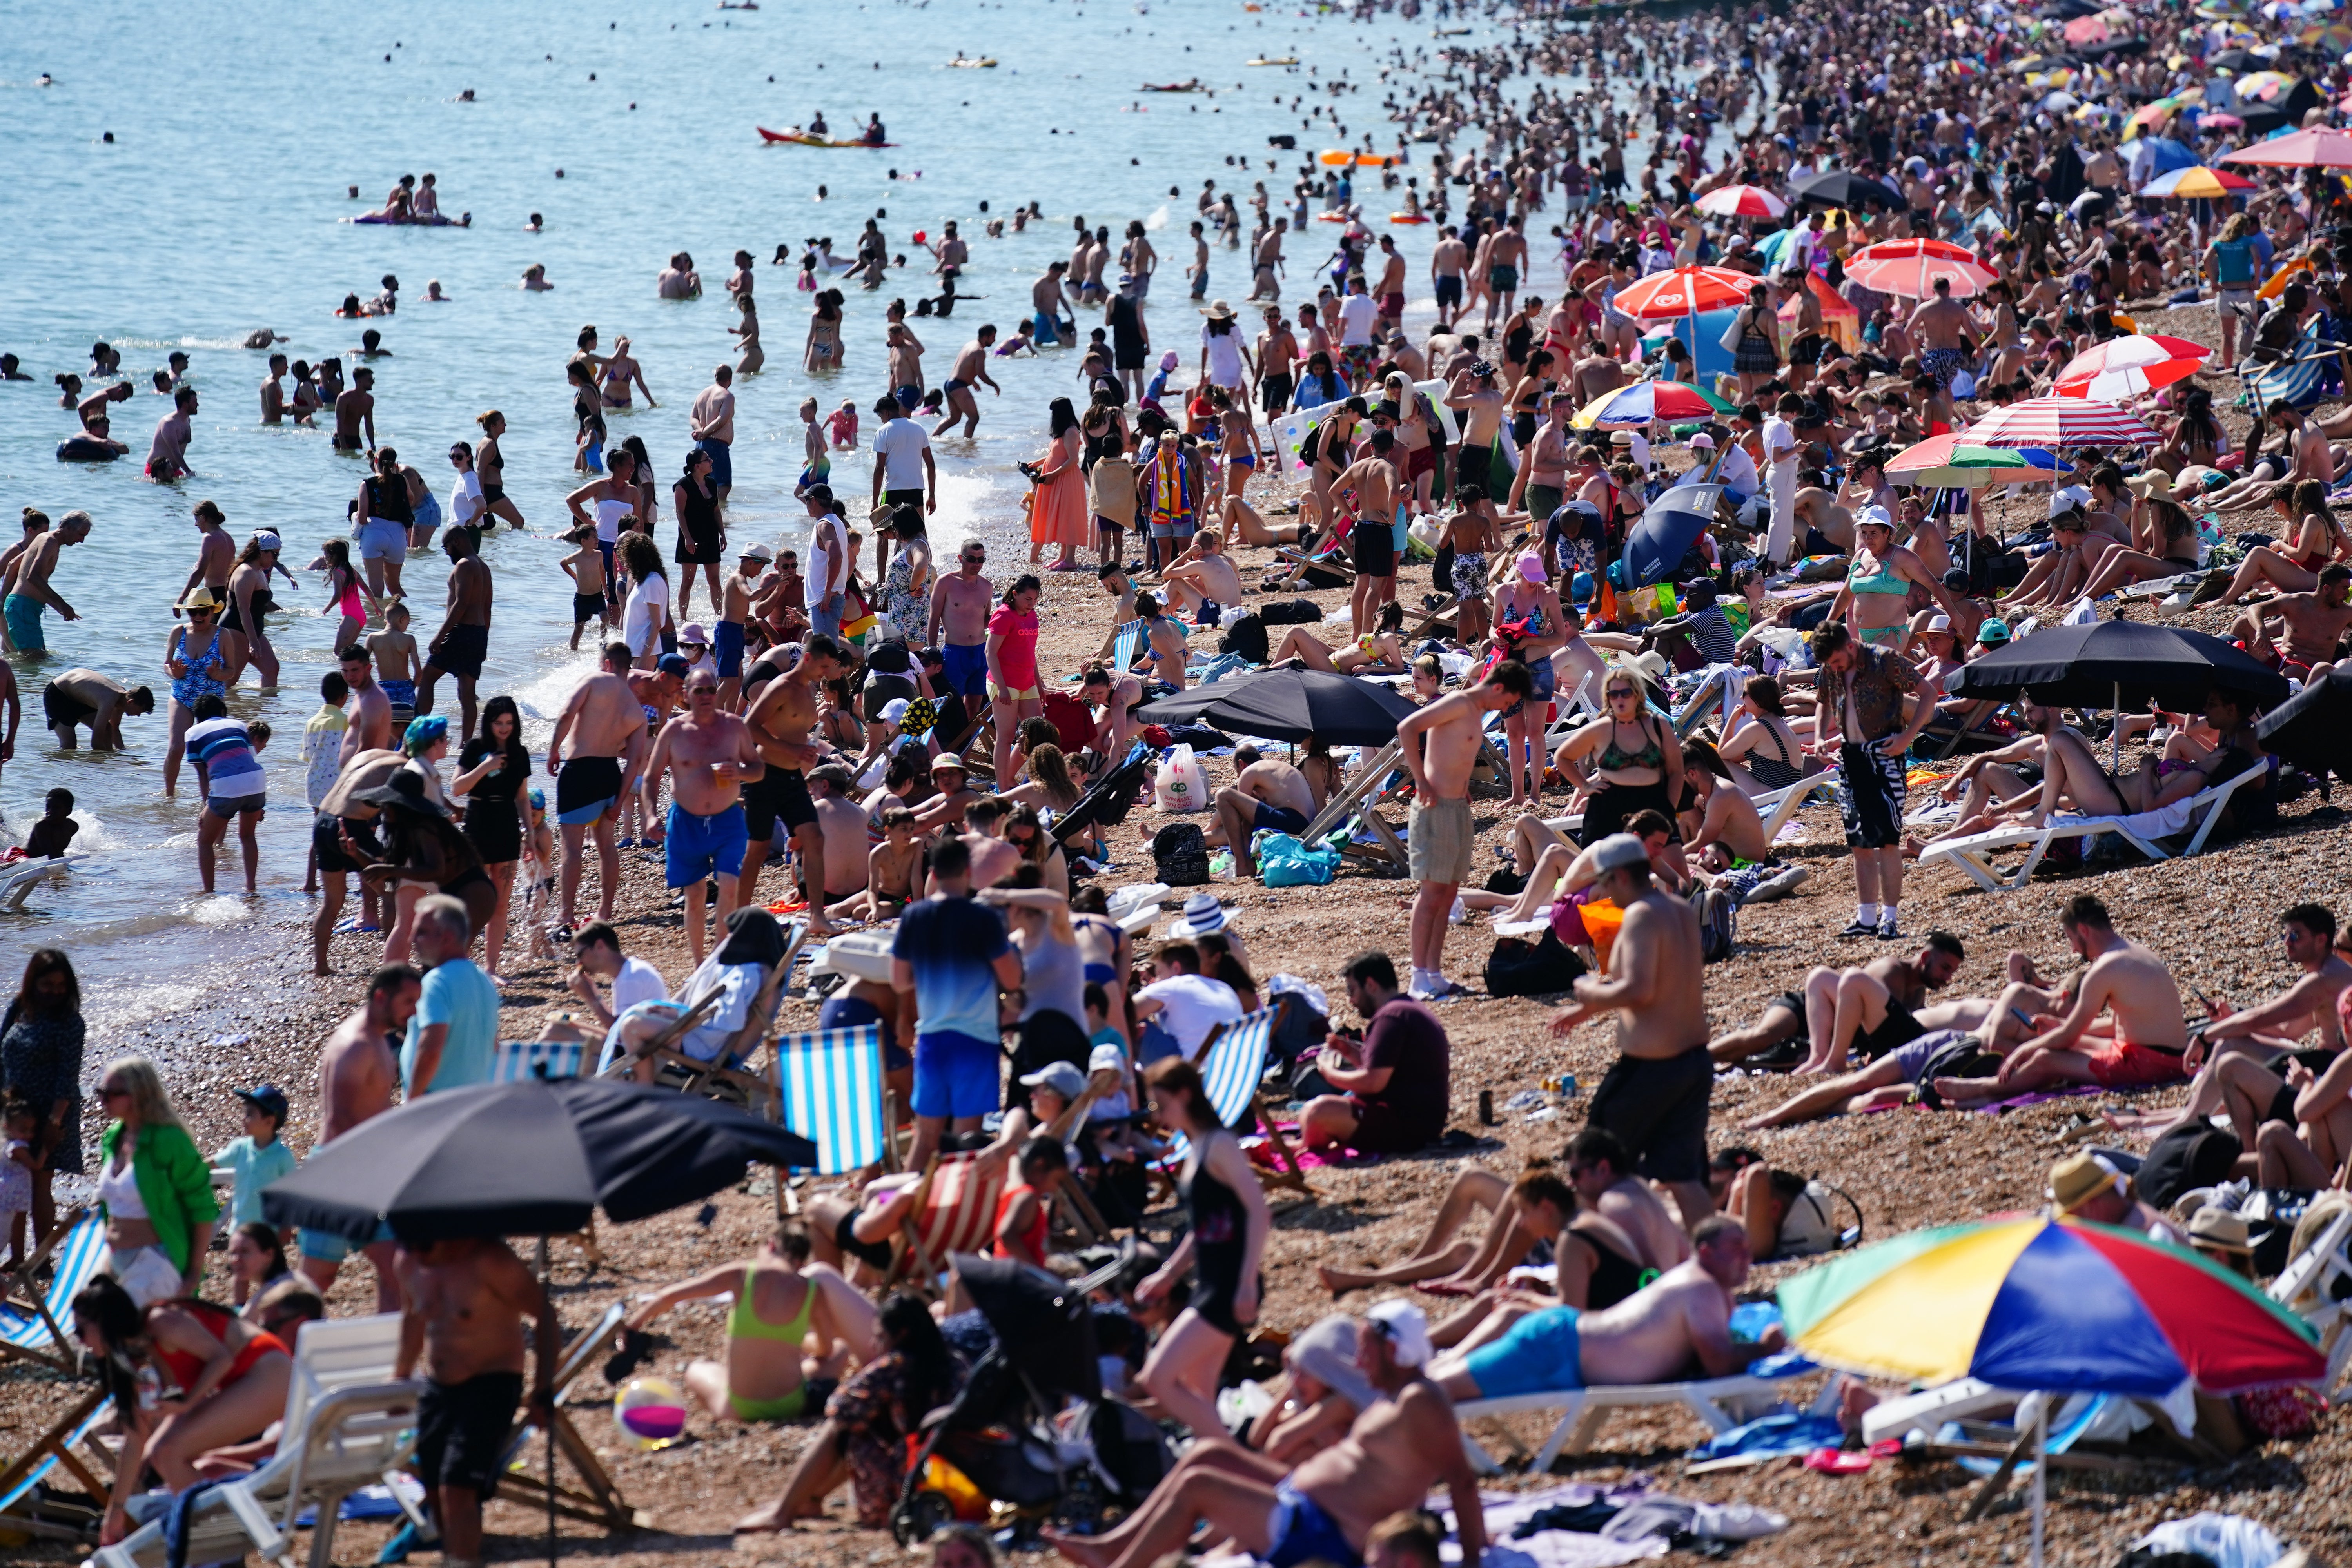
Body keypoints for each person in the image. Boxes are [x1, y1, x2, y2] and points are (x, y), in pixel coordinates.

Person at [1046, 1296, 1483, 1568]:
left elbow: (1462, 1481)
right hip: (1304, 1498)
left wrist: (1471, 1561)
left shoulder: (1420, 1403)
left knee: (1200, 1485)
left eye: (1366, 1350)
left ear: (1394, 1351)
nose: (1358, 1361)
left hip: (1326, 1531)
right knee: (1207, 1454)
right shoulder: (1395, 1394)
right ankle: (1109, 1547)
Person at [1547, 833, 1713, 1228]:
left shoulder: (1640, 915)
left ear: (1620, 876)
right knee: (1683, 1174)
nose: (1599, 891)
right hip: (1694, 1063)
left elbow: (1639, 990)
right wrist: (1585, 1010)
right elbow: (1660, 983)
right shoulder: (1676, 910)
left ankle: (1596, 1248)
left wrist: (1586, 988)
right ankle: (1714, 1256)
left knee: (1595, 1165)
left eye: (1602, 882)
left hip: (1652, 1069)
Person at [1431, 1214, 1784, 1399]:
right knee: (1432, 1393)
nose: (1747, 1257)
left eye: (1748, 1249)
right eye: (1737, 1247)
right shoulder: (1700, 1288)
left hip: (1566, 1345)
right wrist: (1766, 1347)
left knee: (1438, 1385)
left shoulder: (1709, 1288)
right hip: (1556, 1349)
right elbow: (1719, 1363)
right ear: (1706, 1252)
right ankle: (1381, 1393)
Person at [72, 1274, 293, 1546]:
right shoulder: (134, 1358)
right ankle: (218, 1538)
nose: (80, 1342)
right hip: (247, 1380)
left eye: (81, 1332)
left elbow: (221, 1358)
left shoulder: (161, 1321)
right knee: (160, 1453)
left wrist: (187, 1403)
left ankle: (217, 1543)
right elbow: (135, 1439)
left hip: (269, 1371)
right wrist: (115, 1511)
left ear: (104, 1322)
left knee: (170, 1452)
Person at [1130, 1056, 1273, 1448]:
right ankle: (1222, 1463)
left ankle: (1236, 1462)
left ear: (1185, 1094)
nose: (1158, 1115)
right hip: (1211, 1282)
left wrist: (1246, 1282)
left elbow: (1259, 1211)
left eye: (1162, 1104)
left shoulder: (1219, 1144)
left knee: (1158, 1379)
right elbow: (1204, 1228)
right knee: (1199, 1393)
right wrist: (1169, 1275)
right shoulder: (1196, 1148)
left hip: (1228, 1284)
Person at [734, 1290, 962, 1533]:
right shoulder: (955, 1363)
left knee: (844, 1429)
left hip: (904, 1499)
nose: (875, 1345)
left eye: (881, 1337)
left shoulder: (894, 1366)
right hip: (955, 1490)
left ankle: (783, 1513)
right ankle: (810, 1500)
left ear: (902, 1335)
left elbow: (838, 1406)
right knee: (867, 1420)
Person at [394, 1233, 558, 1568]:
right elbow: (413, 1315)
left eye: (426, 1244)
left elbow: (546, 1316)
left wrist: (543, 1388)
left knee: (458, 1487)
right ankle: (455, 1558)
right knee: (434, 1484)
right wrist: (401, 1372)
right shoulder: (410, 1261)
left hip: (491, 1382)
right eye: (410, 1244)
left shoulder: (490, 1261)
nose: (418, 1255)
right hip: (438, 1388)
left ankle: (462, 1561)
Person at [1931, 896, 2192, 1106]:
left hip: (2149, 1066)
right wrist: (2057, 1026)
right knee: (2060, 1043)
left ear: (2083, 930)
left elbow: (2067, 1038)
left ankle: (1986, 1089)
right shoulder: (2138, 953)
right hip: (2168, 1057)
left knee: (2047, 1057)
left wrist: (2025, 1050)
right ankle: (1996, 1088)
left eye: (2071, 939)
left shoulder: (2104, 970)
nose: (2074, 950)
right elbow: (2115, 1026)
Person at [627, 1220, 878, 1422]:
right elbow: (826, 1350)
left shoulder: (741, 1275)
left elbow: (669, 1296)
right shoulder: (813, 1290)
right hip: (792, 1404)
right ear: (801, 1260)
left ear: (770, 1245)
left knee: (698, 1369)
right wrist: (799, 1344)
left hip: (738, 1410)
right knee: (841, 1349)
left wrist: (632, 1327)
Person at [1394, 663, 1535, 999]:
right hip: (1434, 807)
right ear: (1499, 689)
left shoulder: (1475, 712)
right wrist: (1422, 780)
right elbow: (1407, 728)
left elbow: (1454, 751)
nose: (1506, 710)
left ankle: (1434, 973)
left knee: (1448, 895)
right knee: (1431, 896)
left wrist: (1462, 787)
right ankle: (1417, 978)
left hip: (1458, 807)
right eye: (1509, 702)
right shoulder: (1459, 703)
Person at [891, 835, 1022, 1169]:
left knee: (926, 1138)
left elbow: (900, 980)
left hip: (933, 1037)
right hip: (976, 1038)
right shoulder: (984, 919)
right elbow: (1012, 980)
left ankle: (911, 1208)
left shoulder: (914, 917)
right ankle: (962, 1212)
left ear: (933, 872)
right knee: (968, 1140)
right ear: (968, 871)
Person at [298, 965, 418, 1312]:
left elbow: (370, 1111)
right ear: (382, 996)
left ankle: (392, 1357)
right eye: (408, 1001)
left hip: (359, 1169)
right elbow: (342, 1120)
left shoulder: (377, 1039)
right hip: (341, 1173)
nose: (413, 1011)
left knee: (395, 1271)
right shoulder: (356, 1047)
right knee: (314, 1283)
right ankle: (279, 1356)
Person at [1811, 621, 1929, 940]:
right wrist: (1821, 737)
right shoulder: (1831, 669)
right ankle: (1866, 917)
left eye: (1836, 662)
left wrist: (1908, 736)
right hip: (1850, 757)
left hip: (1885, 754)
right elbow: (1822, 702)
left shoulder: (1884, 660)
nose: (1833, 668)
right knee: (1860, 844)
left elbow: (1929, 694)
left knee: (1888, 841)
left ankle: (1890, 918)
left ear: (1850, 647)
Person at [643, 666, 766, 964]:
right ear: (685, 696)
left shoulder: (734, 727)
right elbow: (651, 777)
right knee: (696, 895)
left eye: (711, 689)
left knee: (729, 884)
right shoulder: (674, 731)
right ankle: (700, 964)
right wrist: (650, 816)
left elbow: (758, 769)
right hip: (686, 822)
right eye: (699, 691)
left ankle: (721, 955)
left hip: (727, 819)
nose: (707, 696)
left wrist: (739, 772)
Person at [93, 1057, 218, 1305]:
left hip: (155, 1261)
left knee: (137, 1338)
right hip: (117, 1259)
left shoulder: (168, 1140)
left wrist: (194, 1272)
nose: (103, 1101)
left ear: (140, 1095)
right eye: (101, 1093)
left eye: (112, 1094)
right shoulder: (113, 1138)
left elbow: (203, 1208)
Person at [548, 644, 654, 933]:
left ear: (607, 664)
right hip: (609, 773)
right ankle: (605, 911)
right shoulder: (637, 711)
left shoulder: (594, 680)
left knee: (571, 847)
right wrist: (620, 800)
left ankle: (566, 914)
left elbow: (567, 713)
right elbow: (634, 762)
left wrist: (553, 750)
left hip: (580, 771)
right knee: (607, 846)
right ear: (626, 667)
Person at [1300, 951, 1450, 1154]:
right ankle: (1305, 1145)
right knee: (1312, 1112)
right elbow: (1385, 1066)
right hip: (1421, 1120)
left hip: (1408, 1126)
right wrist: (1349, 1051)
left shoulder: (1391, 1017)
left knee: (1318, 1111)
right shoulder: (1406, 1009)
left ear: (1370, 985)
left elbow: (1373, 1082)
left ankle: (1304, 1148)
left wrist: (1329, 1073)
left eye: (1352, 990)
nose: (1352, 1001)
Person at [1, 949, 84, 1248]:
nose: (55, 992)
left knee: (39, 1183)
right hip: (15, 1110)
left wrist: (53, 1123)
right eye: (48, 985)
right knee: (12, 1180)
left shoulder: (70, 1023)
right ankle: (17, 1257)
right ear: (33, 982)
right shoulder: (19, 1008)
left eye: (62, 987)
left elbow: (67, 1078)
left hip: (51, 1112)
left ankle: (43, 1257)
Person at [454, 697, 532, 981]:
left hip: (507, 827)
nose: (504, 729)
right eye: (499, 723)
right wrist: (485, 767)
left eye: (510, 723)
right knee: (472, 902)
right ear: (489, 723)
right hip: (477, 827)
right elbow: (457, 789)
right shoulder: (475, 749)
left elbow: (523, 798)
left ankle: (490, 969)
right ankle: (460, 966)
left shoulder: (520, 753)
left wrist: (531, 833)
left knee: (500, 904)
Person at [400, 895, 500, 1096]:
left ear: (446, 938)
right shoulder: (483, 980)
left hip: (437, 1100)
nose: (412, 940)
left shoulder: (437, 982)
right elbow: (493, 1045)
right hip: (472, 1095)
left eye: (421, 932)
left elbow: (431, 1050)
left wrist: (413, 1099)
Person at [413, 524, 493, 739]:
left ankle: (417, 735)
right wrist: (483, 640)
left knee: (428, 678)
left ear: (456, 542)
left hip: (460, 632)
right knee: (467, 694)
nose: (447, 552)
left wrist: (440, 635)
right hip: (477, 634)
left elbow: (461, 604)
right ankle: (465, 745)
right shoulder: (483, 567)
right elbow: (487, 608)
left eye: (446, 548)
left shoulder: (464, 565)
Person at [183, 693, 267, 895]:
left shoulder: (192, 733)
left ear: (197, 716)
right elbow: (246, 758)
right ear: (222, 712)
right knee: (248, 836)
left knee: (204, 841)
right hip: (256, 780)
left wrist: (206, 807)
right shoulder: (238, 724)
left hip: (226, 785)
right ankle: (251, 888)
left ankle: (209, 892)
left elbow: (203, 775)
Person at [1132, 942, 1244, 1064]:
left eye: (1159, 973)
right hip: (1233, 1068)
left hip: (1188, 1075)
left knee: (1128, 1020)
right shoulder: (1222, 987)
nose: (1156, 980)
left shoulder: (1174, 985)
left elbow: (1124, 1012)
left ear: (1176, 968)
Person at [210, 1084, 294, 1231]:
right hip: (240, 1230)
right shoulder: (240, 1147)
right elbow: (212, 1163)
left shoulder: (283, 1156)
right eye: (244, 1113)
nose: (243, 1119)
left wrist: (286, 1230)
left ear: (269, 1121)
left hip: (269, 1234)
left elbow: (292, 1195)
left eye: (250, 1114)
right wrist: (184, 1172)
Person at [566, 922, 669, 1029]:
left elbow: (620, 1033)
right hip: (647, 1040)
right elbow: (620, 1023)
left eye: (580, 955)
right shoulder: (629, 970)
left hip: (649, 1044)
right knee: (558, 1028)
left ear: (600, 946)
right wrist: (592, 990)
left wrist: (590, 997)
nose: (578, 963)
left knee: (554, 1031)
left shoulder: (630, 977)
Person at [40, 667, 152, 750]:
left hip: (78, 697)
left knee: (107, 729)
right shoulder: (109, 700)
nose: (138, 715)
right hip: (58, 694)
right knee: (70, 745)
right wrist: (102, 762)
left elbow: (113, 729)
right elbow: (96, 741)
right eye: (140, 711)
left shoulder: (122, 700)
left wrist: (121, 752)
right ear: (131, 702)